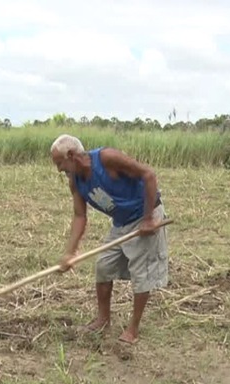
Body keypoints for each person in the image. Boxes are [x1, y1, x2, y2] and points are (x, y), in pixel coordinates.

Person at [51, 134, 169, 345]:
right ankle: (103, 320)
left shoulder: (107, 159)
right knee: (103, 266)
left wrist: (149, 218)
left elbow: (149, 175)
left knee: (141, 273)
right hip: (121, 223)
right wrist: (70, 252)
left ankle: (133, 328)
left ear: (71, 155)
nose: (59, 169)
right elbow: (80, 215)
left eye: (59, 163)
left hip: (145, 214)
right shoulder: (75, 182)